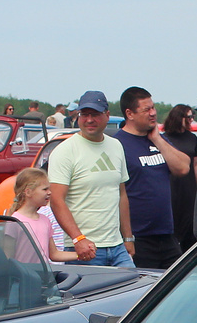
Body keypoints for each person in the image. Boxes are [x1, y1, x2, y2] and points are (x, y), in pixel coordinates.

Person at [46, 90, 133, 266]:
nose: (89, 120)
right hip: (85, 250)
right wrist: (78, 239)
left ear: (107, 115)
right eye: (84, 115)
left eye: (95, 114)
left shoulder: (116, 146)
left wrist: (128, 237)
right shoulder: (65, 151)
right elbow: (56, 200)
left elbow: (121, 194)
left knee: (135, 292)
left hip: (117, 247)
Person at [114, 86, 191, 269]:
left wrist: (157, 139)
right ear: (129, 114)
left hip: (167, 234)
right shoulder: (117, 144)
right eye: (146, 109)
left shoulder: (158, 139)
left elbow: (183, 167)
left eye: (153, 107)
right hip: (138, 238)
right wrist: (127, 237)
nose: (153, 113)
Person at [7, 167, 78, 264]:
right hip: (23, 277)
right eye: (45, 189)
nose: (49, 192)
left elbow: (54, 254)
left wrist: (81, 254)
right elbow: (8, 257)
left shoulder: (45, 220)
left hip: (42, 277)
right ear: (28, 192)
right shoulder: (15, 221)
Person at [162, 104, 197, 251]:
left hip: (189, 187)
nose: (192, 120)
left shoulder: (192, 138)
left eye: (193, 116)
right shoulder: (165, 139)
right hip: (172, 186)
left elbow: (196, 164)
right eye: (189, 117)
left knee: (189, 224)